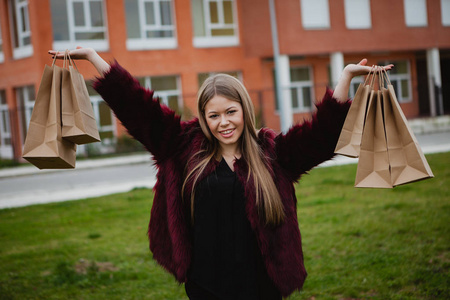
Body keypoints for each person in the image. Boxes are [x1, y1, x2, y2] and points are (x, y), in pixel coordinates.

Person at [49, 48, 393, 300]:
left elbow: (323, 137)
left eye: (231, 112)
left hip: (262, 285)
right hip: (206, 285)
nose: (223, 122)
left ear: (245, 109)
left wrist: (345, 78)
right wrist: (95, 59)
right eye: (213, 116)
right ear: (203, 118)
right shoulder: (181, 148)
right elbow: (138, 107)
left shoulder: (273, 154)